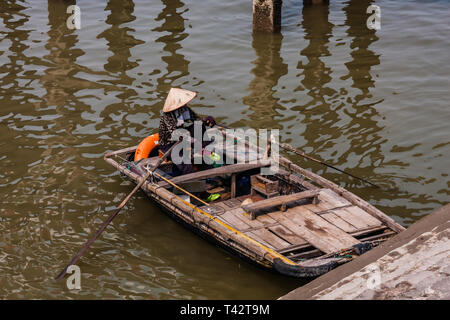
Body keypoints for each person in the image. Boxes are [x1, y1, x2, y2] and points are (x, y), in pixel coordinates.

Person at [158, 88, 215, 175]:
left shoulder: (185, 109)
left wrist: (207, 120)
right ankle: (191, 178)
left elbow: (197, 119)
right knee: (185, 164)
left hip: (183, 137)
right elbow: (176, 134)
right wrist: (194, 141)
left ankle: (204, 147)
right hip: (170, 143)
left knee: (198, 125)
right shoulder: (167, 116)